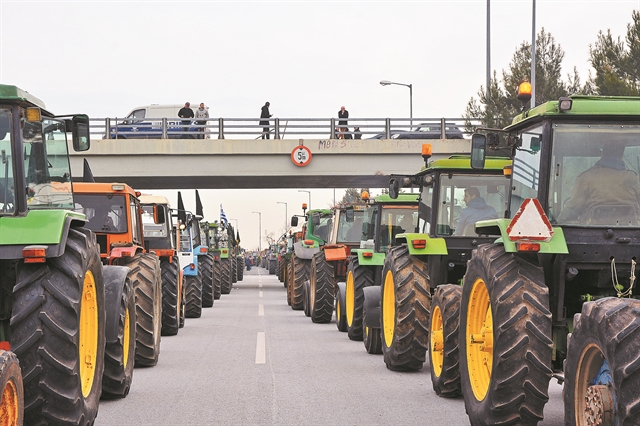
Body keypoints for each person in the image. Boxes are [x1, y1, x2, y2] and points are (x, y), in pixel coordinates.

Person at [558, 144, 640, 224]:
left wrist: (556, 222)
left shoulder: (586, 178)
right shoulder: (633, 178)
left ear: (602, 154)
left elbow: (573, 208)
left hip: (590, 234)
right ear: (621, 156)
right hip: (630, 234)